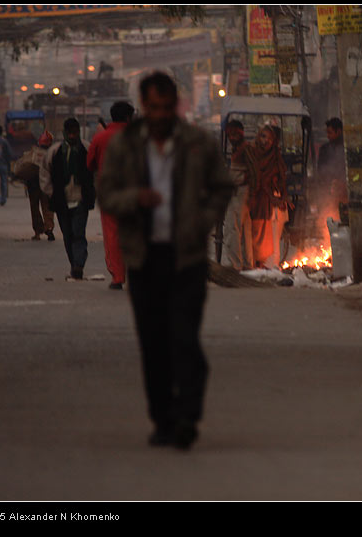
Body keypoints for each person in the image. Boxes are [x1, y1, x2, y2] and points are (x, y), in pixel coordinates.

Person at [98, 71, 233, 450]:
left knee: (185, 338)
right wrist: (134, 200)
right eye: (152, 107)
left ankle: (188, 415)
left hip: (186, 257)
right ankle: (163, 418)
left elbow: (222, 186)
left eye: (165, 106)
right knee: (154, 342)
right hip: (144, 258)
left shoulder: (196, 143)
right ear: (144, 106)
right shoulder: (127, 146)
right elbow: (107, 194)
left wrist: (202, 220)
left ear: (176, 104)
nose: (159, 114)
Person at [87, 101, 135, 290]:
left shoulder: (100, 138)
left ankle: (118, 276)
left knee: (113, 234)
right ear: (129, 118)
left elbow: (89, 164)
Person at [40, 118, 95, 280]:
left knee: (78, 233)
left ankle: (78, 265)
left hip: (81, 198)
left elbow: (96, 171)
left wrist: (93, 191)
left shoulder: (86, 149)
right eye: (69, 132)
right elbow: (44, 174)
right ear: (64, 132)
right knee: (67, 234)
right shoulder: (55, 151)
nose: (72, 135)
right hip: (61, 200)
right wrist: (52, 193)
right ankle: (74, 264)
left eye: (75, 132)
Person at [246, 124, 289, 269]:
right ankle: (253, 262)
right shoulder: (251, 153)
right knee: (253, 231)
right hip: (255, 199)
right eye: (264, 136)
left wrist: (281, 198)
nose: (266, 141)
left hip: (272, 204)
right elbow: (254, 177)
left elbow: (282, 180)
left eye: (270, 139)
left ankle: (267, 264)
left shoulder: (275, 157)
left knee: (270, 235)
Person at [221, 120, 255, 270]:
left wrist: (245, 184)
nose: (232, 137)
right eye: (230, 135)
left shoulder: (246, 148)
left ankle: (235, 265)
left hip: (241, 192)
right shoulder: (236, 149)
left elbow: (254, 171)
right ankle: (247, 264)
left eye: (235, 134)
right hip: (239, 192)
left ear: (241, 133)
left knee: (232, 228)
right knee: (243, 229)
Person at [12, 130, 55, 240]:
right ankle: (49, 228)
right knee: (47, 207)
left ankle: (37, 232)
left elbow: (22, 166)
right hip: (46, 185)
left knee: (34, 207)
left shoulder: (32, 153)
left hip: (33, 185)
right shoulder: (52, 154)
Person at [315, 117, 347, 214]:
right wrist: (330, 183)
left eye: (330, 132)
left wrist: (342, 182)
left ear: (339, 131)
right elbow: (320, 170)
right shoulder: (324, 149)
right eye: (327, 133)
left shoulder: (347, 149)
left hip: (345, 192)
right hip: (328, 193)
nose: (328, 136)